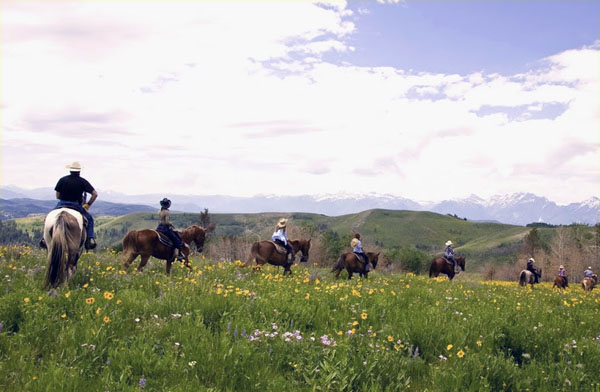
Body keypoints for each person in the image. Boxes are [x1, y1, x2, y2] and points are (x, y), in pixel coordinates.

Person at [40, 161, 98, 250]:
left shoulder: (62, 180)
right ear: (79, 171)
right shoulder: (83, 181)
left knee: (47, 217)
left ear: (70, 170)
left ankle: (44, 239)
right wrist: (88, 204)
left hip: (62, 203)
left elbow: (57, 196)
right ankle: (90, 239)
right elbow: (94, 194)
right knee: (89, 219)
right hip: (76, 205)